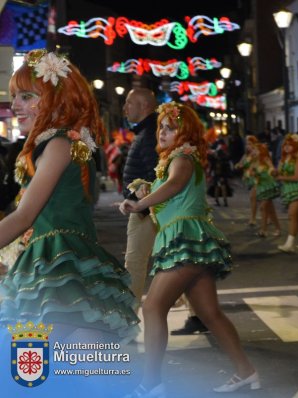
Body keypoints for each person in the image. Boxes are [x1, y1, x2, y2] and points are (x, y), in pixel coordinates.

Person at [119, 102, 258, 396]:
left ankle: (152, 383)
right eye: (161, 128)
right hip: (193, 242)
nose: (163, 133)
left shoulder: (182, 156)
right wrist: (146, 193)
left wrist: (142, 202)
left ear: (186, 132)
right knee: (210, 313)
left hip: (185, 241)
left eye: (171, 128)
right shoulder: (176, 159)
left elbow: (174, 185)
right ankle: (246, 372)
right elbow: (169, 190)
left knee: (152, 307)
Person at [0, 49, 139, 343]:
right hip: (56, 259)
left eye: (26, 96)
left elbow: (25, 214)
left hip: (59, 261)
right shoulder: (55, 142)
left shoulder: (59, 144)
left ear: (55, 99)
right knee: (69, 363)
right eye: (15, 97)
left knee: (47, 362)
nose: (15, 105)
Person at [121, 87, 159, 308]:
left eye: (129, 102)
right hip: (146, 208)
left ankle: (128, 316)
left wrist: (139, 199)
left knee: (135, 262)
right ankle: (197, 312)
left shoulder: (148, 133)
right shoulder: (146, 131)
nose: (125, 107)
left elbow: (156, 174)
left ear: (144, 106)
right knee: (174, 262)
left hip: (146, 210)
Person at [251, 143, 281, 237]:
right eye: (253, 150)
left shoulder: (266, 160)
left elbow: (274, 172)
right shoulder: (254, 162)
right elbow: (253, 175)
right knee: (270, 210)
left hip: (269, 187)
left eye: (256, 150)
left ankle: (263, 230)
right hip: (261, 187)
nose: (254, 151)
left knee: (263, 207)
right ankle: (278, 228)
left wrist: (271, 168)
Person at [235, 135, 259, 226]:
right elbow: (241, 163)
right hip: (250, 179)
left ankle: (253, 218)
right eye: (246, 144)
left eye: (249, 144)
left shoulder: (256, 153)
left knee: (254, 197)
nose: (247, 146)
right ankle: (265, 217)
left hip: (258, 179)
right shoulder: (246, 154)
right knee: (260, 200)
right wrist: (238, 165)